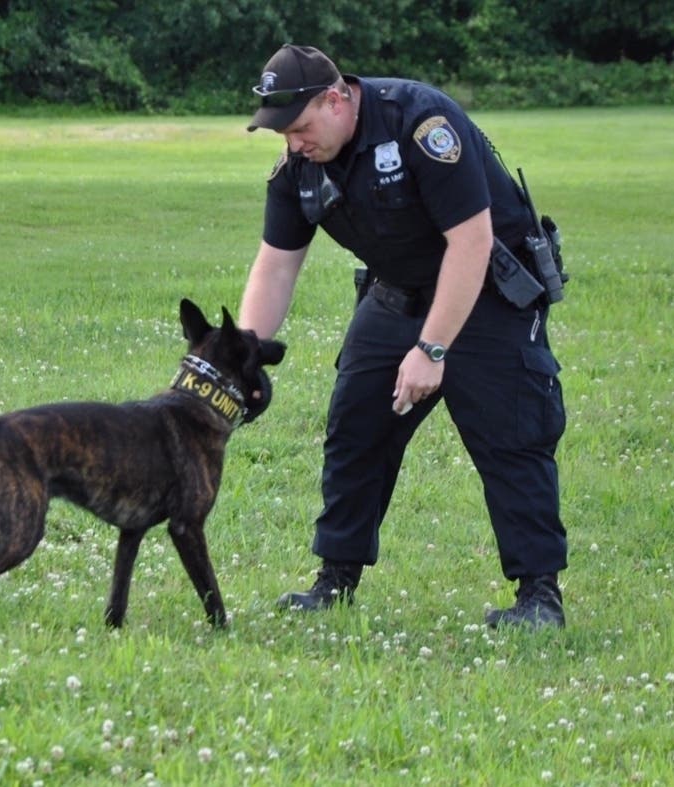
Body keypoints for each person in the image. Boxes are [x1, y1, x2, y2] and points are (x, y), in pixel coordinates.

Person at [238, 44, 568, 629]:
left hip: (486, 292)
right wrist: (237, 356)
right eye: (282, 133)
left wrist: (432, 349)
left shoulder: (421, 124)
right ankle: (335, 580)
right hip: (397, 294)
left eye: (300, 126)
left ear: (336, 99)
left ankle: (539, 597)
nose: (293, 142)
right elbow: (276, 265)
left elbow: (471, 242)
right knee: (355, 428)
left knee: (510, 439)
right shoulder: (300, 168)